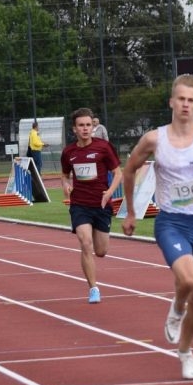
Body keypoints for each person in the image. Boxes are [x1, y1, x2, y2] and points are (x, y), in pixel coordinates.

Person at [121, 74, 193, 380]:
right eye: (181, 99)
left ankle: (185, 352)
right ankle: (176, 309)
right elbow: (130, 169)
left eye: (192, 100)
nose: (186, 105)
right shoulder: (154, 139)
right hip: (171, 222)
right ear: (171, 102)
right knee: (187, 280)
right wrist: (131, 212)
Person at [61, 108, 123, 304]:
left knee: (101, 251)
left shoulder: (104, 147)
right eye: (81, 125)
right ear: (74, 129)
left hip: (101, 204)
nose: (85, 129)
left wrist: (109, 192)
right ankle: (93, 288)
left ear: (93, 127)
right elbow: (64, 175)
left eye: (88, 125)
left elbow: (118, 173)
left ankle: (94, 279)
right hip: (80, 204)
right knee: (85, 243)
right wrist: (66, 184)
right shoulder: (68, 152)